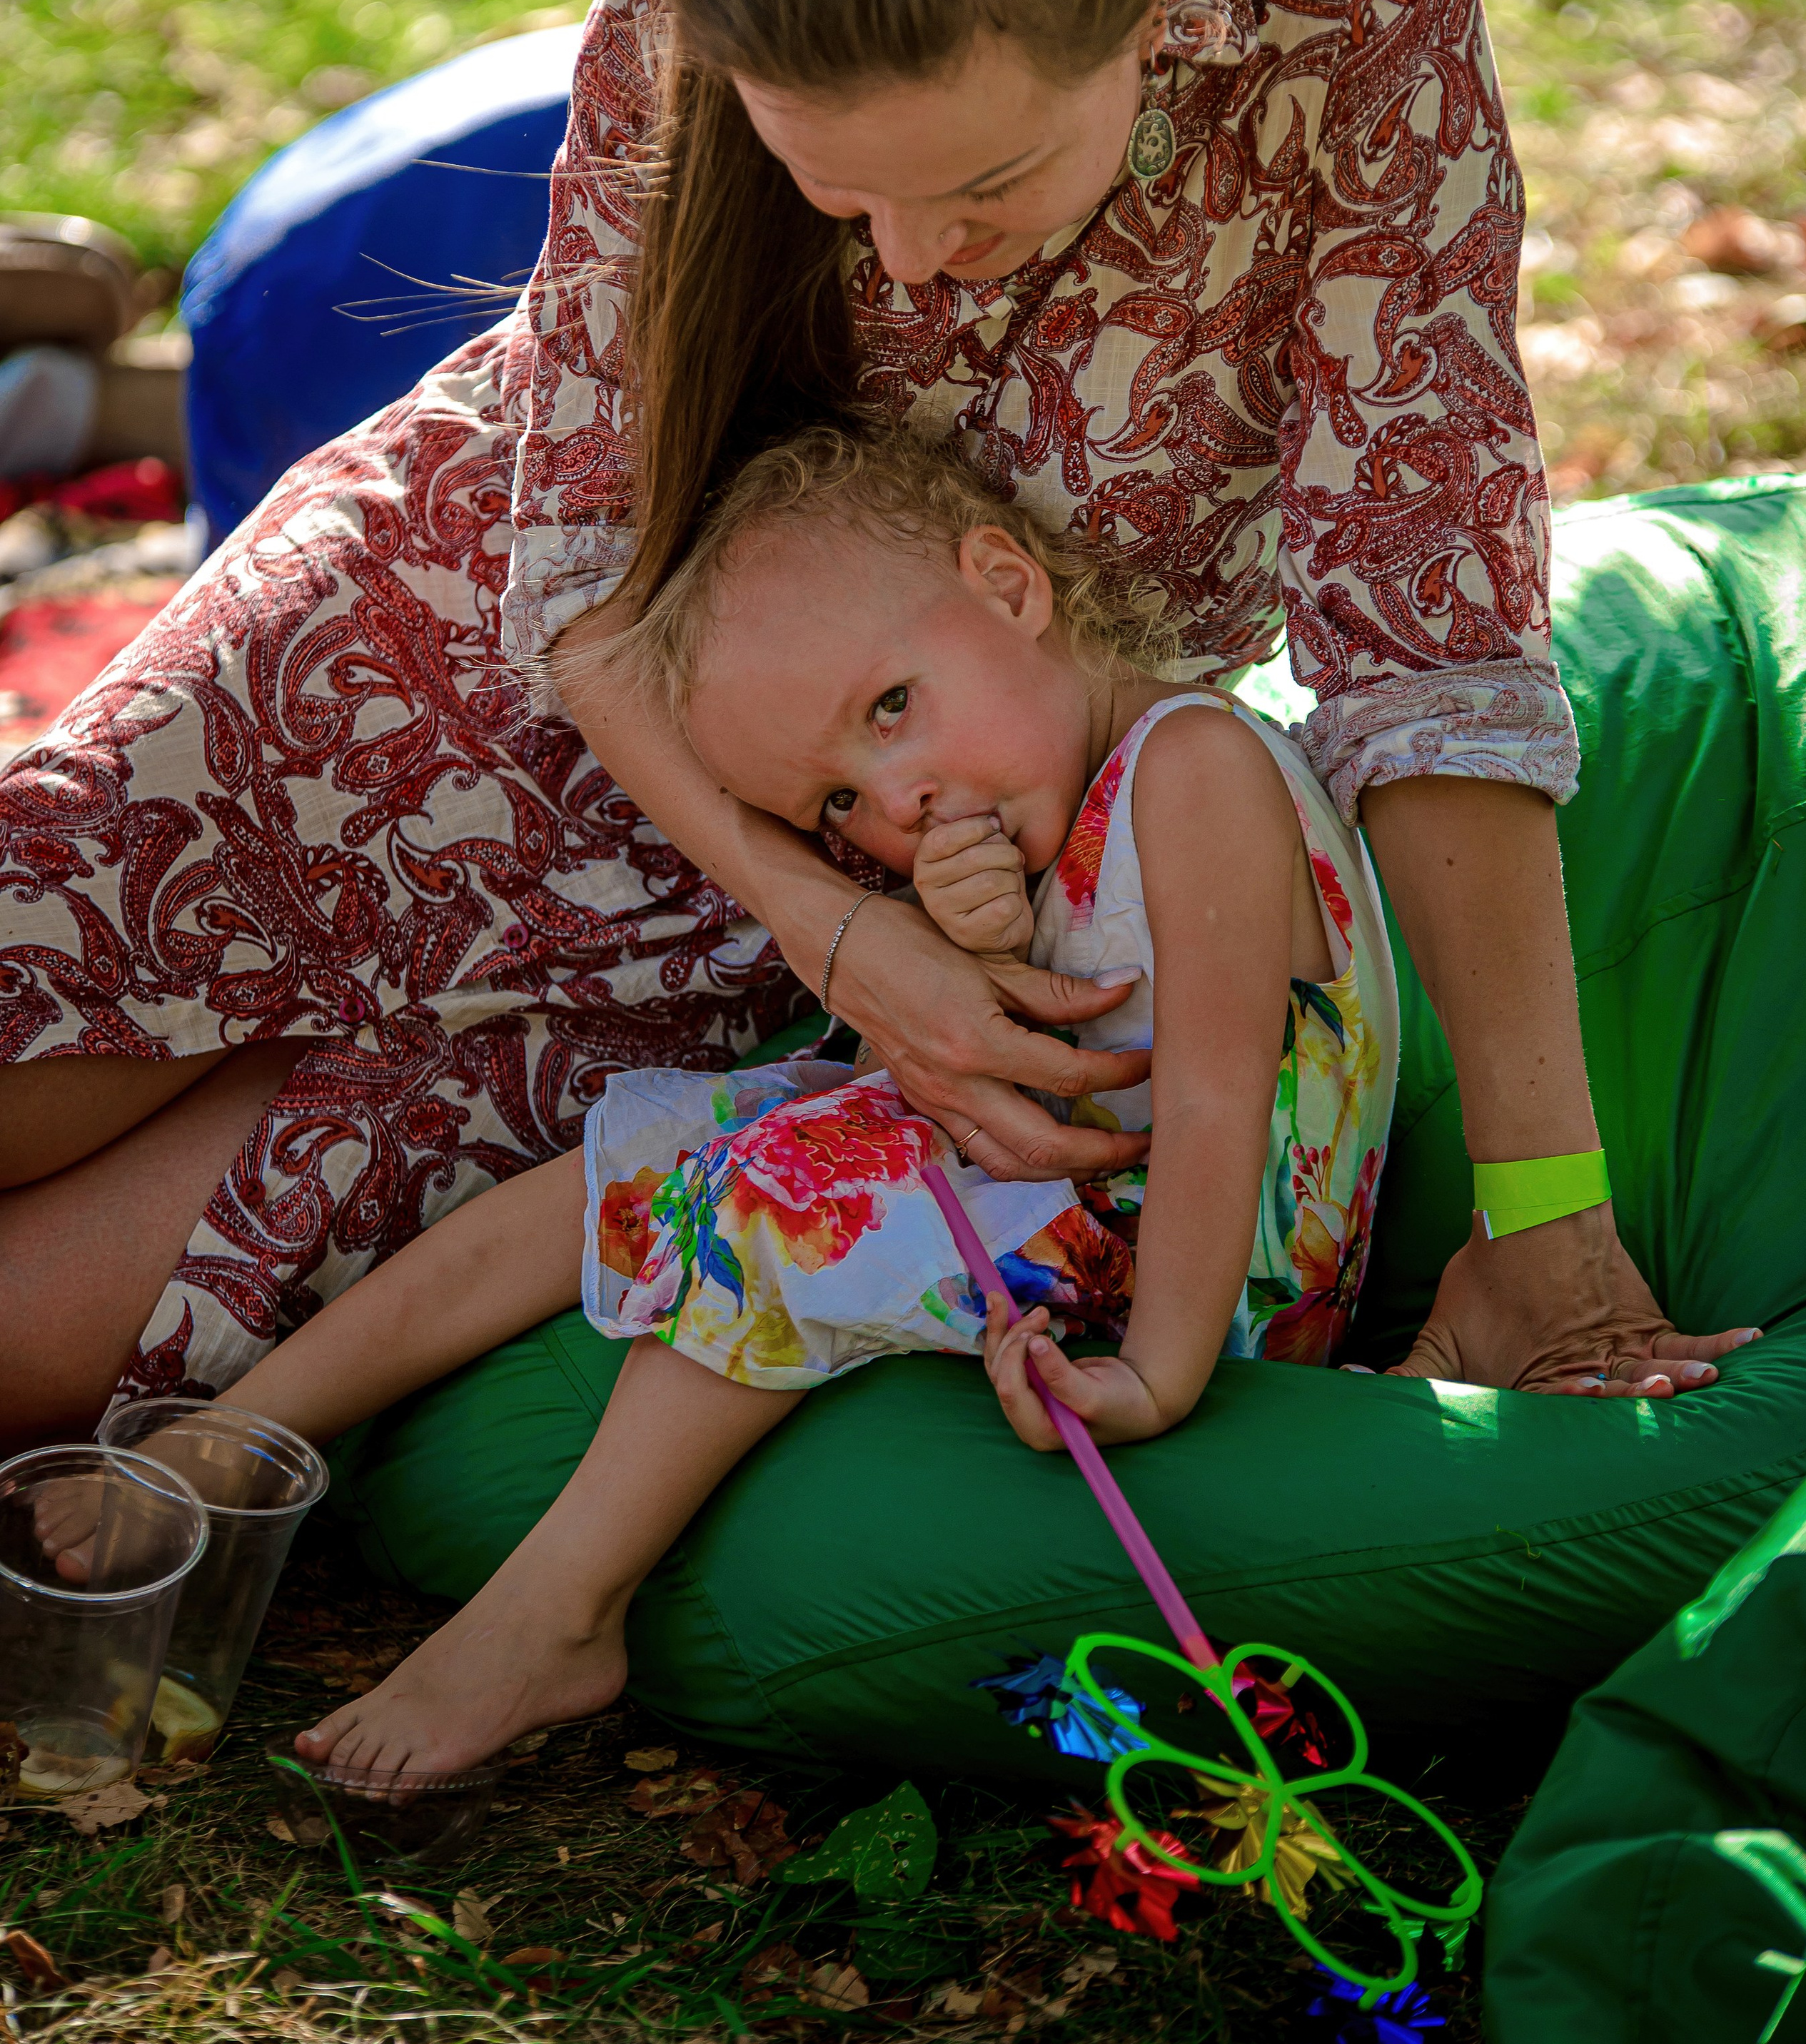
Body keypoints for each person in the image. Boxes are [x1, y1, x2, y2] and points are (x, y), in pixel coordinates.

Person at [0, 0, 1752, 1451]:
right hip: (416, 671)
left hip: (782, 853)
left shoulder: (1354, 16)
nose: (905, 262)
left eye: (983, 186)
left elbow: (1429, 642)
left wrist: (1541, 1221)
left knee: (36, 1347)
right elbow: (583, 568)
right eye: (842, 197)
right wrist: (838, 941)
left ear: (1155, 5)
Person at [180, 426, 1401, 1777]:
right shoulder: (1042, 804)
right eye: (841, 804)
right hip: (1052, 1184)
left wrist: (1158, 1380)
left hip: (1209, 1273)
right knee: (638, 1150)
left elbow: (1221, 1102)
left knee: (781, 1190)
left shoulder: (1196, 767)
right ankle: (241, 1437)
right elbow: (1036, 1031)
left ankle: (555, 1617)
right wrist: (981, 938)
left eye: (891, 710)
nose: (899, 803)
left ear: (1010, 586)